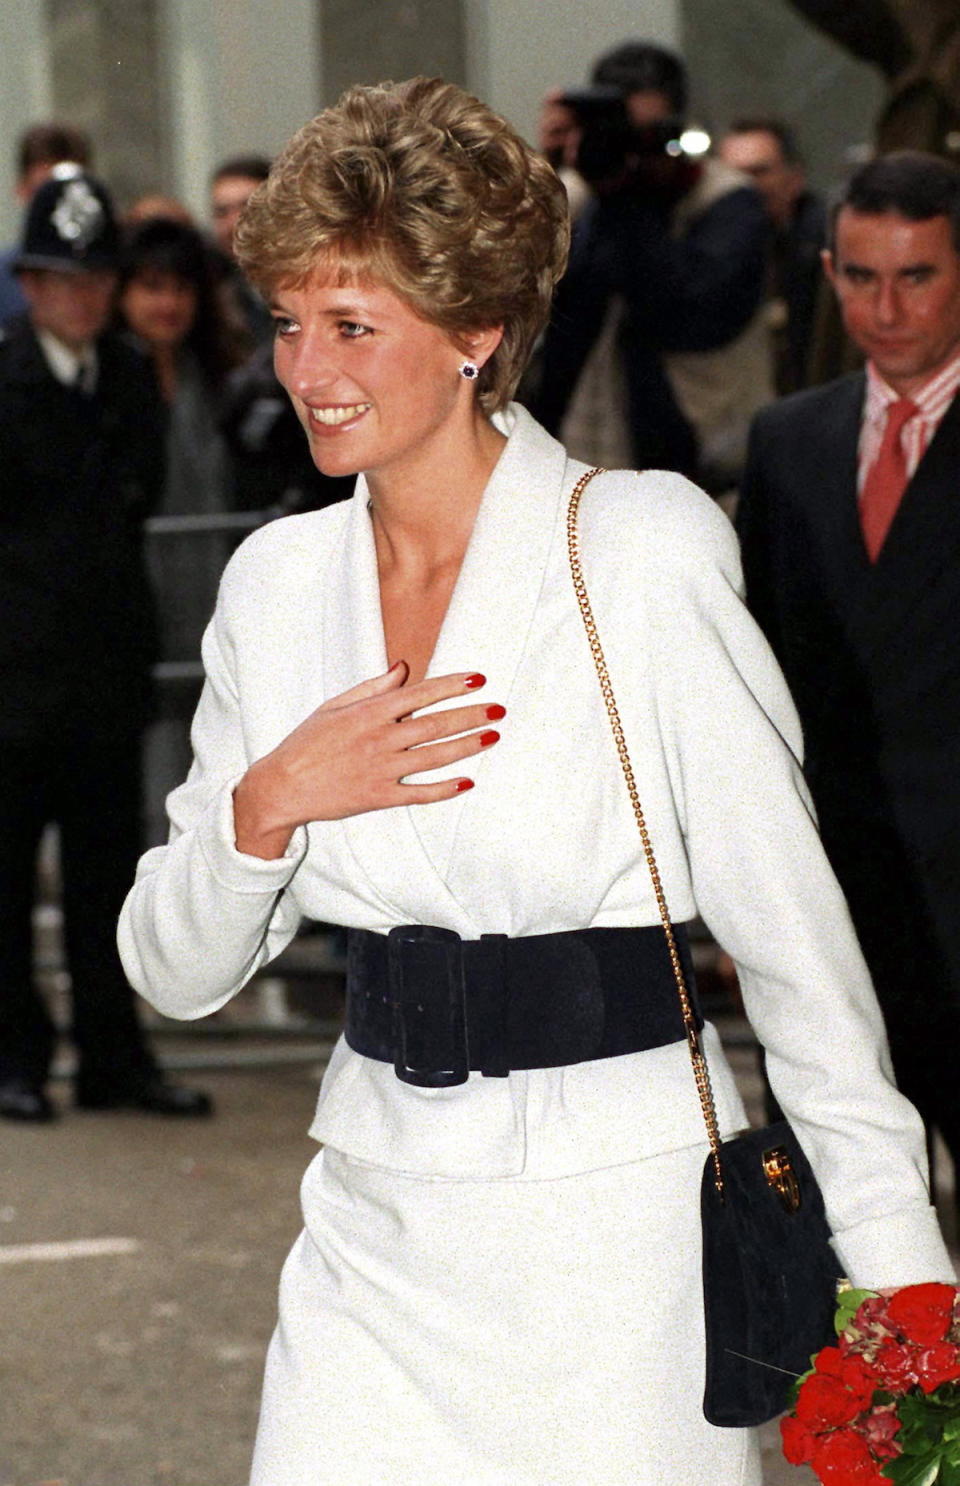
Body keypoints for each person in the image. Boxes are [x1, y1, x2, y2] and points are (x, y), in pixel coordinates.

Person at [118, 81, 953, 1485]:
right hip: (370, 1239)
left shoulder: (637, 549)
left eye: (352, 326)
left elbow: (793, 936)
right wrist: (267, 806)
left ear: (477, 331)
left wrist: (901, 1280)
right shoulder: (274, 585)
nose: (302, 367)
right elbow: (172, 972)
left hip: (614, 1249)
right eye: (286, 322)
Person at [737, 148, 960, 1206]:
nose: (886, 307)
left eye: (916, 275)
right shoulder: (789, 441)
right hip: (831, 904)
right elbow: (761, 677)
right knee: (827, 1217)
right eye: (861, 276)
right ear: (828, 273)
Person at [0, 168, 211, 1121]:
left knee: (104, 881)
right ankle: (14, 1059)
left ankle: (112, 1057)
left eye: (94, 279)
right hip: (10, 684)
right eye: (62, 279)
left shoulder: (127, 377)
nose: (80, 298)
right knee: (6, 887)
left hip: (99, 677)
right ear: (31, 285)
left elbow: (131, 496)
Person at [532, 41, 773, 492]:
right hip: (583, 466)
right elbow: (514, 293)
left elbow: (689, 315)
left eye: (650, 135)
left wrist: (623, 195)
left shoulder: (728, 201)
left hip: (705, 475)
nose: (636, 152)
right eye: (622, 134)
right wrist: (545, 167)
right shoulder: (579, 200)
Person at [115, 216, 245, 843]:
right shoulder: (111, 378)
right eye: (151, 287)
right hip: (138, 611)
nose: (168, 304)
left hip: (209, 602)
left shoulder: (215, 377)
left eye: (181, 289)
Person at [718, 116, 827, 393]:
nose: (743, 185)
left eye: (759, 172)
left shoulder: (828, 251)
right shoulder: (705, 254)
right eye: (731, 174)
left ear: (794, 179)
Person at [0, 122, 93, 325]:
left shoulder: (114, 277)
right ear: (21, 191)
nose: (55, 209)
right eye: (43, 194)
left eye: (67, 194)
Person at [209, 153, 273, 347]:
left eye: (247, 206)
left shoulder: (317, 284)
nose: (234, 223)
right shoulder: (213, 302)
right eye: (222, 212)